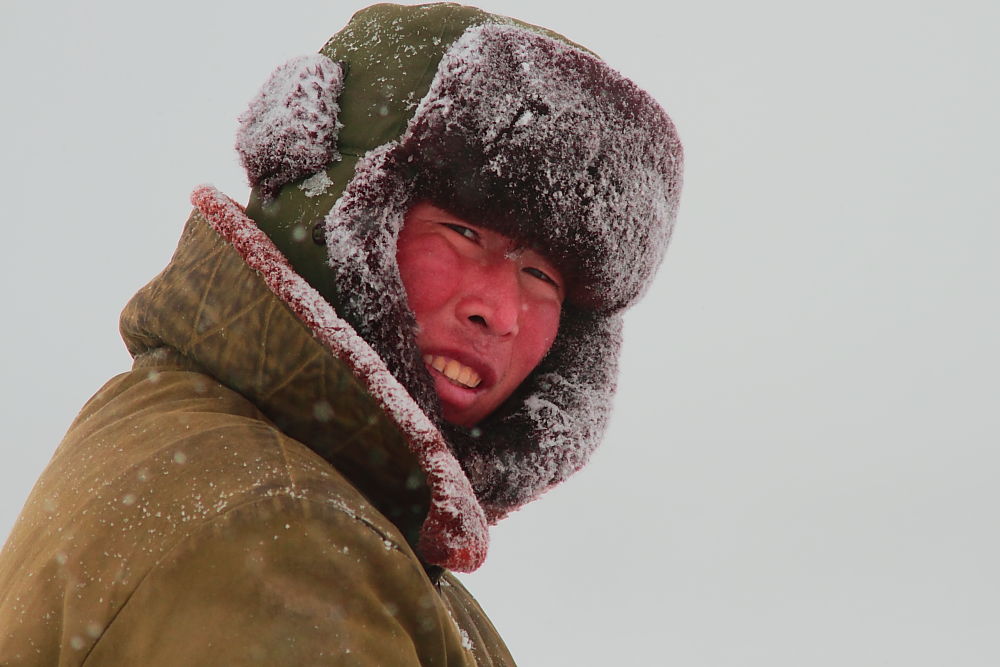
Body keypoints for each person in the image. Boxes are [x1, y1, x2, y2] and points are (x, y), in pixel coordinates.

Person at [0, 3, 682, 664]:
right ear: (341, 210)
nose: (500, 311)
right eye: (464, 232)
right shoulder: (282, 532)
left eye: (542, 276)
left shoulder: (265, 478)